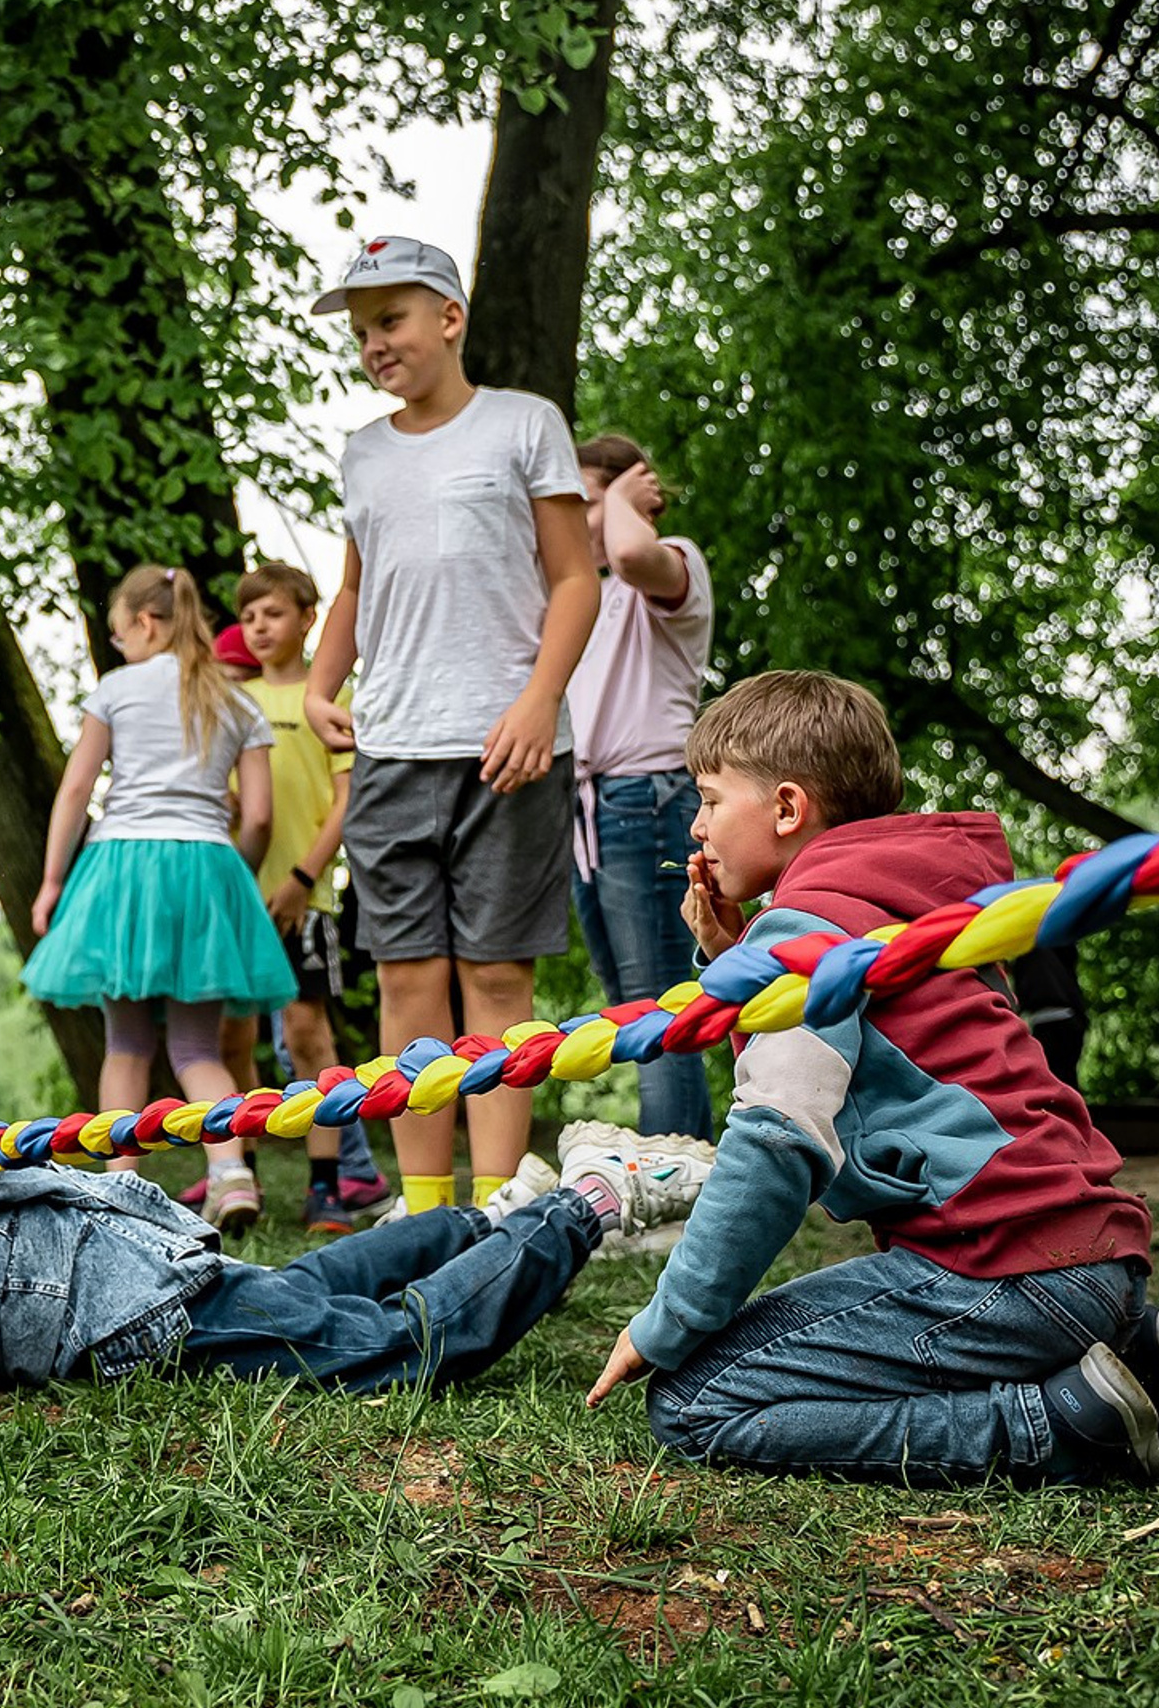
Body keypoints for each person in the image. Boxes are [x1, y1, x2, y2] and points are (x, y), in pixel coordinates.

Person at [0, 929, 713, 1457]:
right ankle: (477, 1224)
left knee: (380, 1354)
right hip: (75, 1307)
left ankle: (587, 1201)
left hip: (89, 1293)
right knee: (294, 1291)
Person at [586, 671, 1159, 1483]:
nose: (698, 825)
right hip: (1092, 1258)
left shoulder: (809, 925)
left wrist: (665, 1323)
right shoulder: (910, 909)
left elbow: (776, 1139)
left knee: (696, 1399)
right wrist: (735, 958)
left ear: (786, 809)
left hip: (1008, 1270)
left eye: (711, 799)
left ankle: (1062, 1428)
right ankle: (1135, 1349)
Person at [304, 237, 600, 1216]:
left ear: (449, 318)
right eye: (360, 332)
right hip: (390, 747)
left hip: (506, 747)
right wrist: (319, 685)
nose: (374, 345)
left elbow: (574, 578)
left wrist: (537, 699)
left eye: (389, 321)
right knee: (409, 980)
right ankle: (426, 1205)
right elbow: (354, 589)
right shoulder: (363, 451)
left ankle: (499, 1200)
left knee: (496, 977)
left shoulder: (524, 425)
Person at [21, 565, 296, 1232]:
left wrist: (54, 879)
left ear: (146, 623)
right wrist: (236, 880)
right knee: (199, 1051)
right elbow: (257, 816)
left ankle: (120, 1184)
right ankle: (231, 1174)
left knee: (127, 1045)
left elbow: (76, 790)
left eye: (118, 633)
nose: (120, 646)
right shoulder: (239, 702)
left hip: (122, 868)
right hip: (205, 863)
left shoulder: (116, 689)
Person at [564, 434, 716, 1143]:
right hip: (591, 813)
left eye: (585, 501)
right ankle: (675, 1160)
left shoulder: (670, 565)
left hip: (646, 801)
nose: (572, 516)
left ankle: (678, 1168)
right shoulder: (583, 597)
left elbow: (629, 550)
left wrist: (623, 498)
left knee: (659, 999)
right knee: (631, 1005)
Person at [235, 561, 382, 1233]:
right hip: (236, 900)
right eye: (249, 616)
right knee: (232, 1040)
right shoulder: (234, 705)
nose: (260, 627)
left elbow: (348, 804)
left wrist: (299, 880)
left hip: (306, 899)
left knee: (305, 1034)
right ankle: (236, 1178)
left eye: (273, 613)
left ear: (307, 619)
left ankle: (329, 1186)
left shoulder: (334, 701)